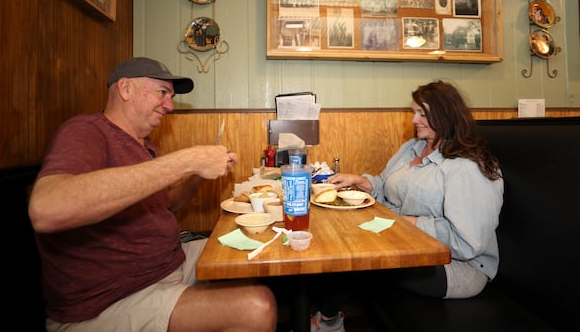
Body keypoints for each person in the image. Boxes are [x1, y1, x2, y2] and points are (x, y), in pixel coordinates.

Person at [28, 57, 277, 332]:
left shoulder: (144, 145)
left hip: (167, 264)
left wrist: (197, 175)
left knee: (255, 254)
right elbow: (47, 210)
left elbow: (166, 205)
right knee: (257, 306)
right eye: (162, 93)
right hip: (110, 301)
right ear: (125, 89)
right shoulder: (85, 131)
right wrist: (187, 160)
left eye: (171, 96)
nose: (169, 105)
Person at [309, 80, 504, 332]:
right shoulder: (413, 148)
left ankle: (326, 322)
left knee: (356, 261)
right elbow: (388, 186)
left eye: (422, 113)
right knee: (344, 245)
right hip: (404, 244)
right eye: (414, 112)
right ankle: (327, 319)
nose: (414, 120)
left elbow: (468, 242)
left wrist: (408, 224)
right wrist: (361, 181)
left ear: (446, 115)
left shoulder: (467, 167)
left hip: (456, 267)